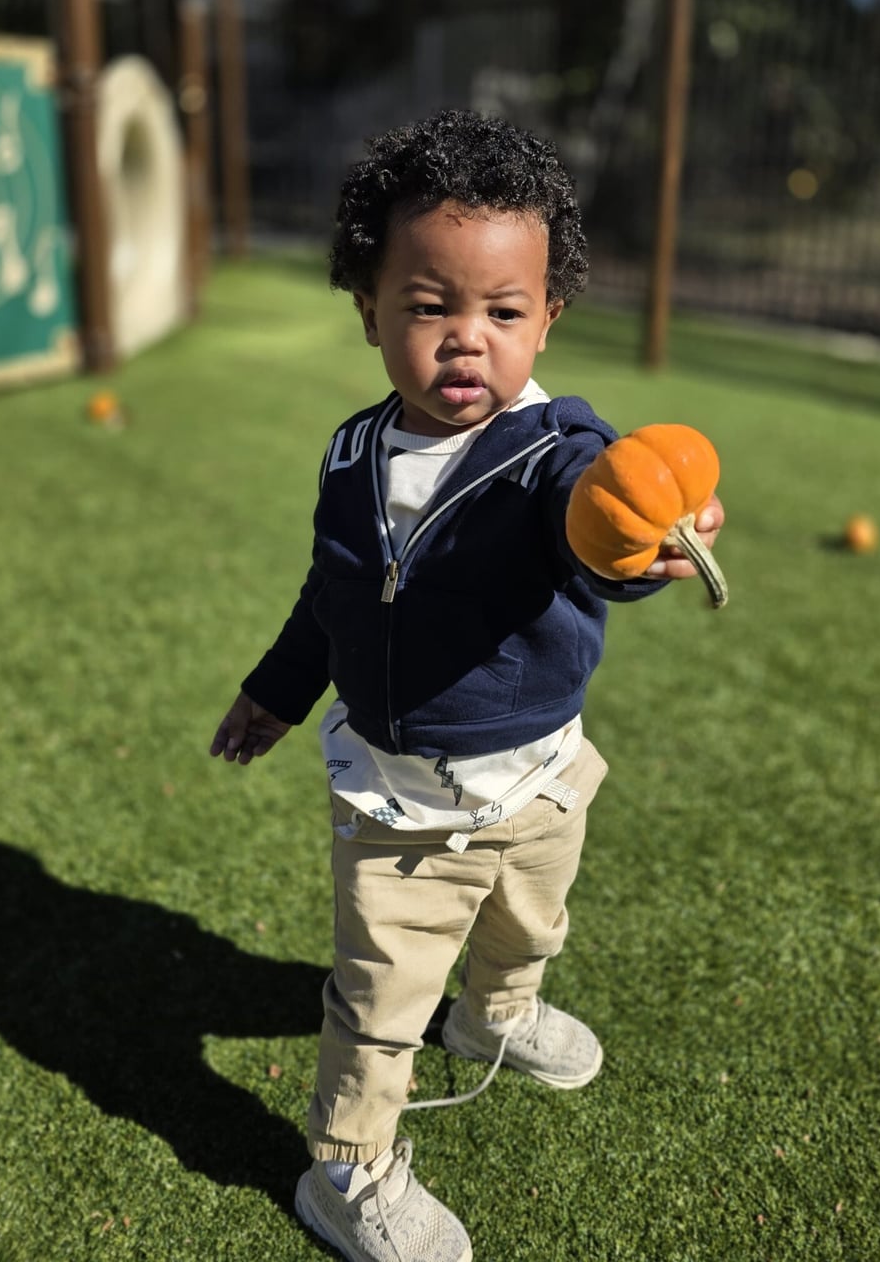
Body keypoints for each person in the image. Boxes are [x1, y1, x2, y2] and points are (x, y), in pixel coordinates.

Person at [209, 109, 723, 1262]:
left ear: (548, 315)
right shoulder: (351, 457)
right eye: (429, 306)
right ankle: (348, 1173)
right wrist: (277, 692)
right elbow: (331, 598)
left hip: (541, 778)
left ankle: (497, 1013)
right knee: (378, 1004)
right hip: (397, 806)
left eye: (502, 312)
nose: (465, 342)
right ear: (369, 310)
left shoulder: (559, 453)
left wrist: (644, 535)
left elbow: (600, 525)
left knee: (529, 923)